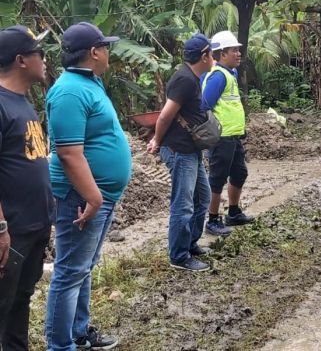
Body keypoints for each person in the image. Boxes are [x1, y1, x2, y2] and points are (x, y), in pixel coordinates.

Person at [45, 22, 130, 351]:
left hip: (98, 196)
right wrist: (93, 197)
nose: (109, 52)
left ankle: (79, 333)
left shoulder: (89, 83)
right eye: (105, 46)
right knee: (69, 271)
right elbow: (67, 153)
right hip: (80, 197)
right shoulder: (69, 91)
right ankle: (60, 345)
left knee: (83, 268)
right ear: (94, 52)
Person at [0, 26, 53, 351]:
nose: (44, 59)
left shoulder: (23, 103)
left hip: (34, 228)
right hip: (12, 232)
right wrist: (1, 227)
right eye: (39, 53)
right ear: (21, 60)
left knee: (19, 303)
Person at [147, 33, 214, 272]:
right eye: (212, 53)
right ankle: (178, 256)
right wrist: (156, 138)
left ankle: (190, 243)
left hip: (191, 150)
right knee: (183, 205)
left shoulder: (193, 78)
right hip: (180, 150)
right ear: (204, 56)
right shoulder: (184, 79)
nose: (213, 57)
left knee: (202, 198)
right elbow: (165, 115)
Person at [202, 31, 253, 237]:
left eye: (238, 50)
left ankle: (233, 211)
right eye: (234, 50)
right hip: (221, 138)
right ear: (222, 54)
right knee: (217, 179)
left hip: (233, 136)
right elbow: (205, 104)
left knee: (239, 173)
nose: (239, 54)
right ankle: (213, 220)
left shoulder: (229, 73)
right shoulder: (218, 76)